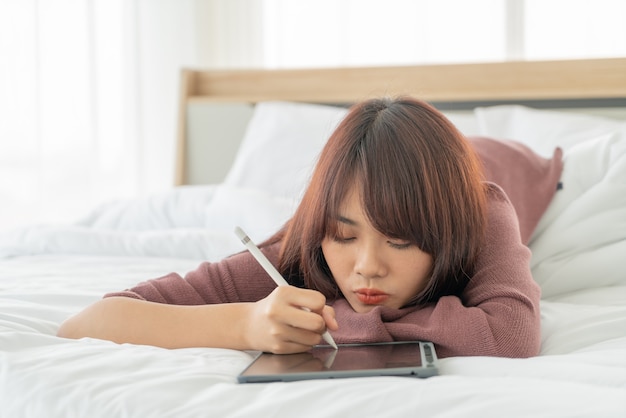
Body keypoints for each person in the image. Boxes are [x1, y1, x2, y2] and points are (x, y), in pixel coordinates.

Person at [57, 97, 542, 358]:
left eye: (400, 239)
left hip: (516, 168)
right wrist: (245, 323)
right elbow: (88, 323)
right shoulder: (300, 245)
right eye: (346, 236)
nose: (367, 268)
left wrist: (334, 320)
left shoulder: (484, 211)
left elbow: (510, 336)